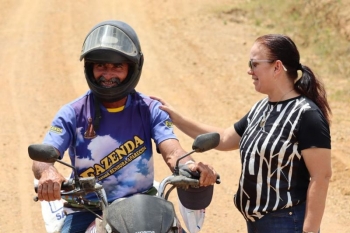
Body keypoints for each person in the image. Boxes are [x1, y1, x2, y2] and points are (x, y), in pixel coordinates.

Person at [31, 20, 218, 233]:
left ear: (132, 69)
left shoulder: (150, 109)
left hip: (144, 207)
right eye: (101, 66)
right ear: (90, 68)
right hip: (87, 209)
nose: (107, 74)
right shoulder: (72, 113)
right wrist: (48, 172)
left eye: (117, 66)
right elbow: (41, 159)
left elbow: (173, 150)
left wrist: (190, 166)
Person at [152, 34, 332, 233]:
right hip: (257, 224)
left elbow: (321, 176)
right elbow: (224, 138)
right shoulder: (261, 108)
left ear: (277, 67)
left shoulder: (306, 115)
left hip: (288, 224)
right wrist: (176, 118)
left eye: (254, 64)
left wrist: (309, 231)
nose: (249, 71)